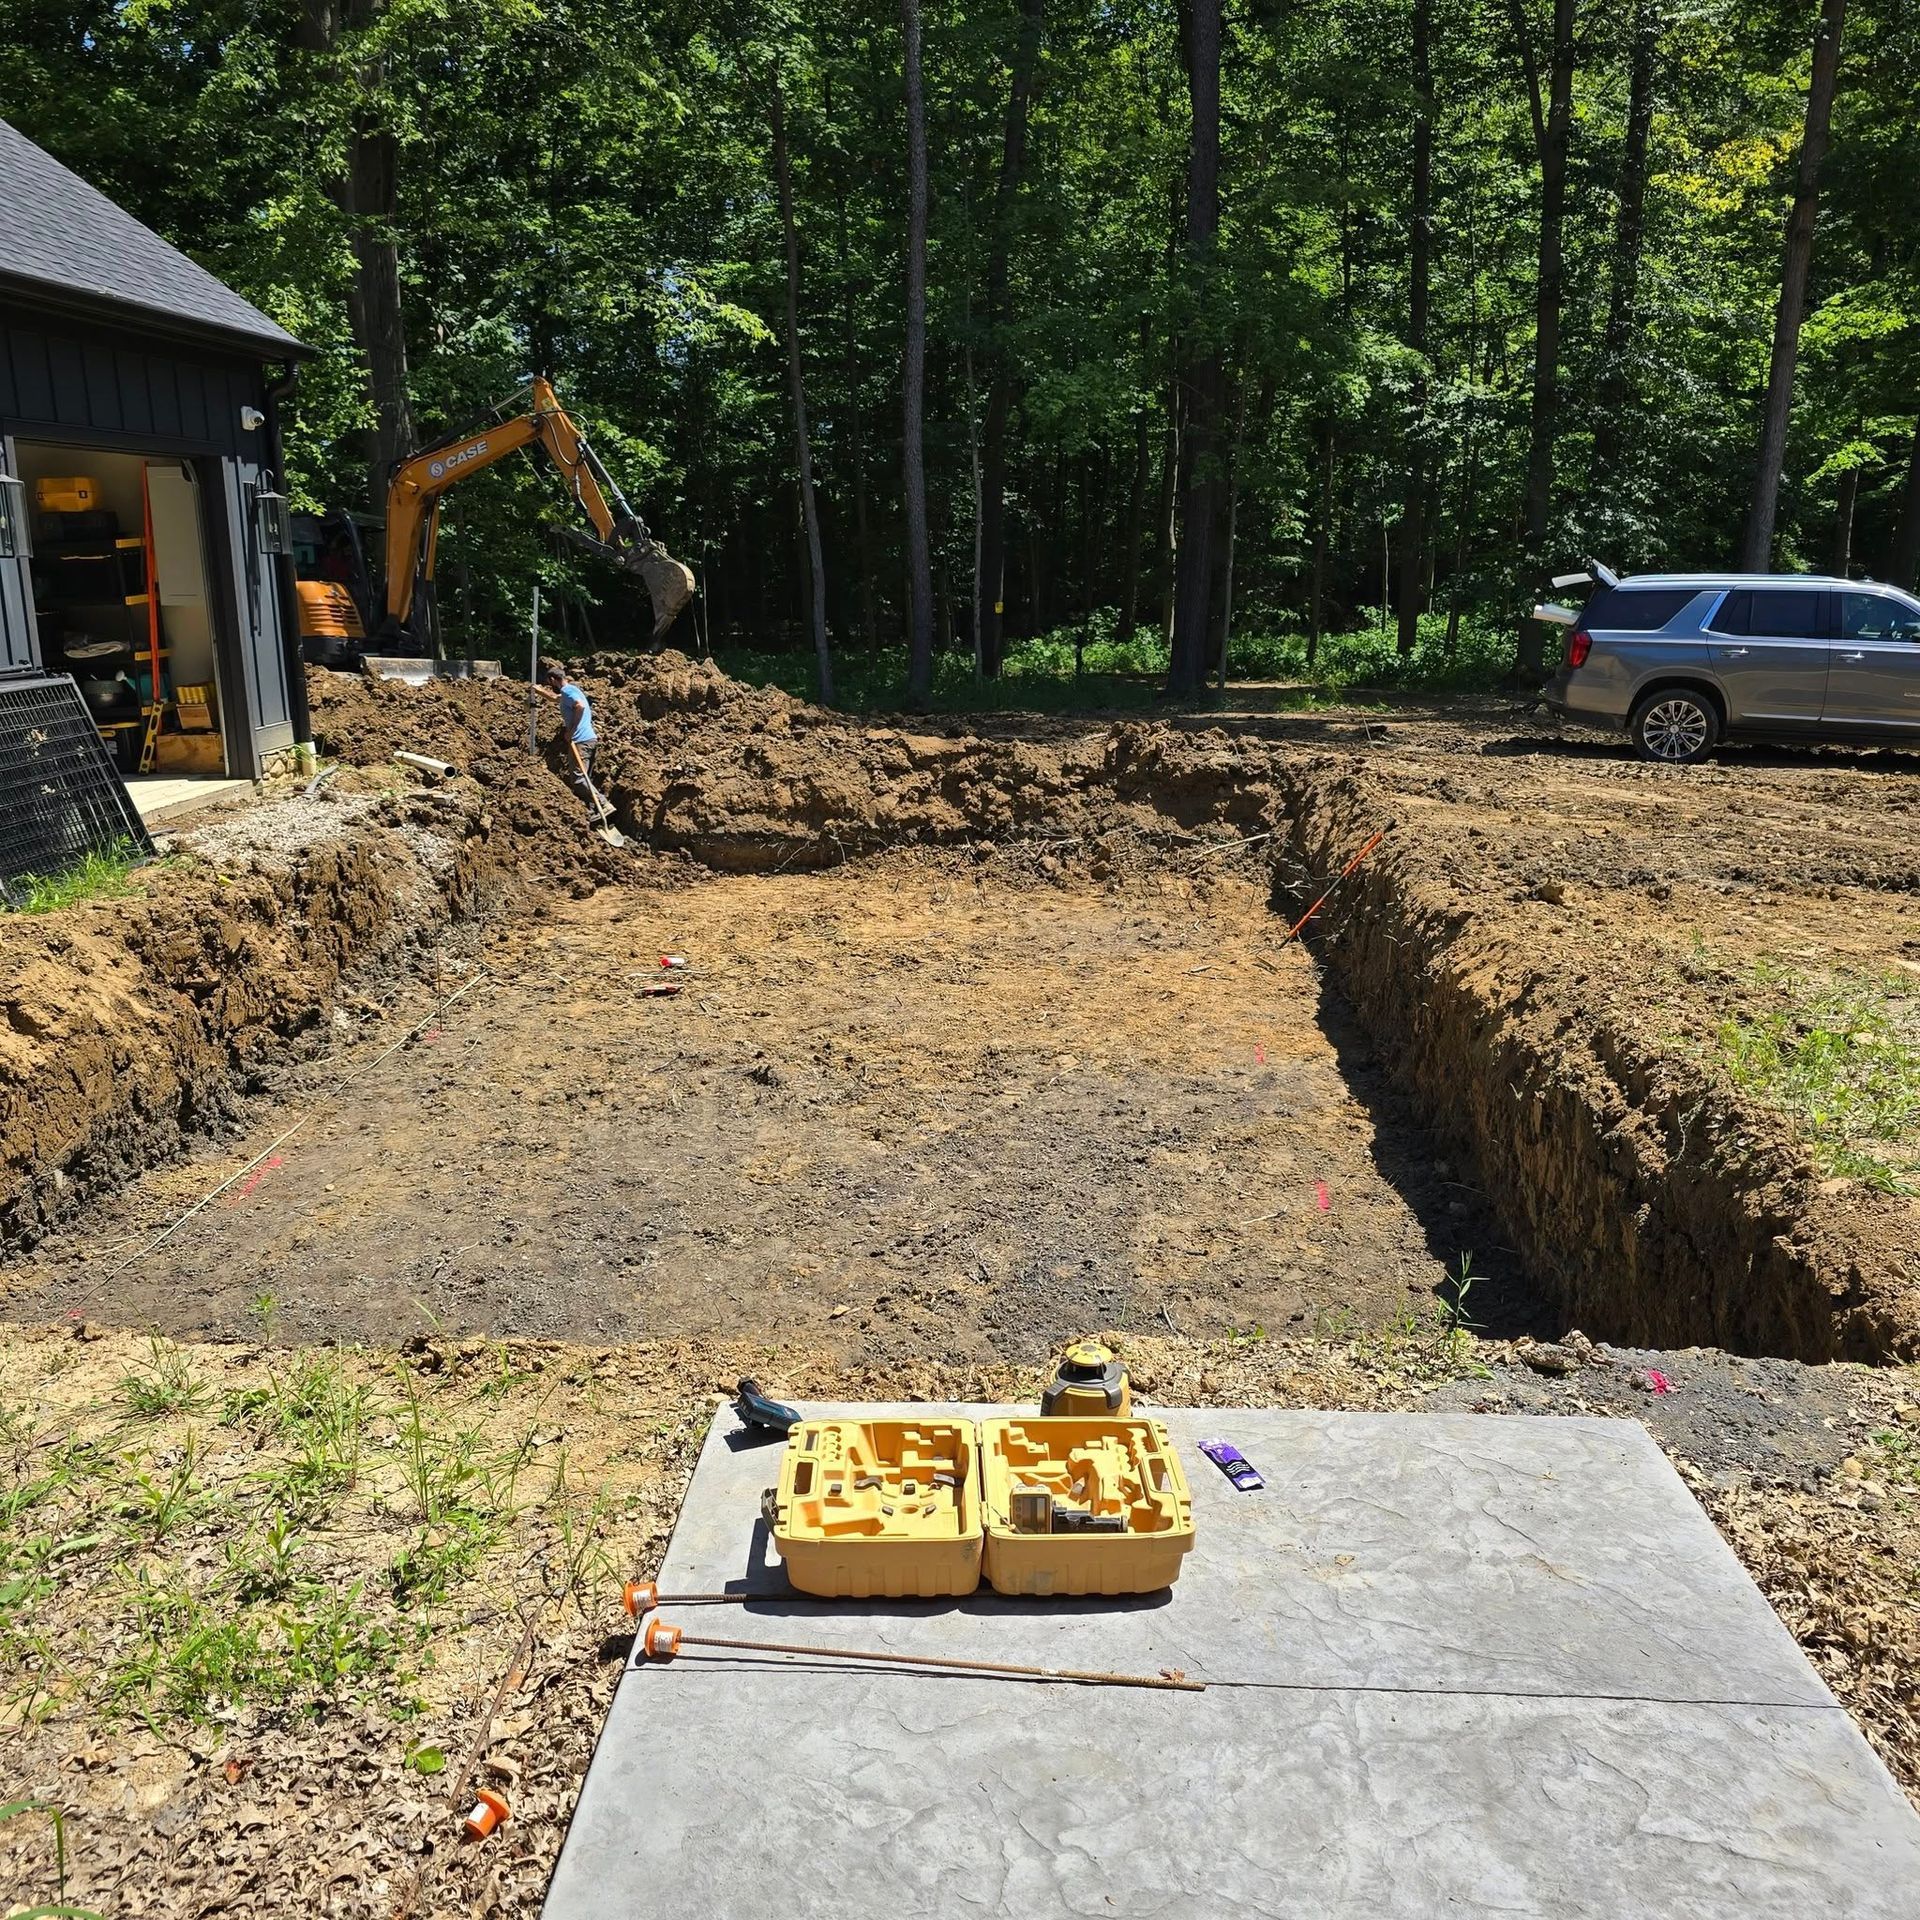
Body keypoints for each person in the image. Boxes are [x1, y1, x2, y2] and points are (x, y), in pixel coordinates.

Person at [537, 661, 607, 815]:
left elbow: (579, 706)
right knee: (585, 778)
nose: (550, 686)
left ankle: (603, 804)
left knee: (578, 779)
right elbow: (556, 699)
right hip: (590, 739)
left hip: (581, 740)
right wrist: (539, 691)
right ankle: (594, 809)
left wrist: (571, 730)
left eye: (550, 683)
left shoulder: (568, 691)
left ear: (554, 680)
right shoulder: (571, 691)